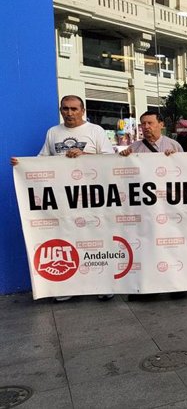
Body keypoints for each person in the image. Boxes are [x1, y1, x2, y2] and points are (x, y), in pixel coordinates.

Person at [11, 95, 115, 302]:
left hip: (91, 197)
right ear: (61, 110)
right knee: (67, 239)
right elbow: (42, 160)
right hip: (63, 199)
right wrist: (22, 164)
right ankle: (68, 286)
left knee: (97, 240)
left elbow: (109, 159)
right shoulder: (53, 132)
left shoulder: (96, 131)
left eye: (74, 109)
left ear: (82, 110)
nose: (70, 113)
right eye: (65, 109)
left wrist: (85, 156)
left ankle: (103, 285)